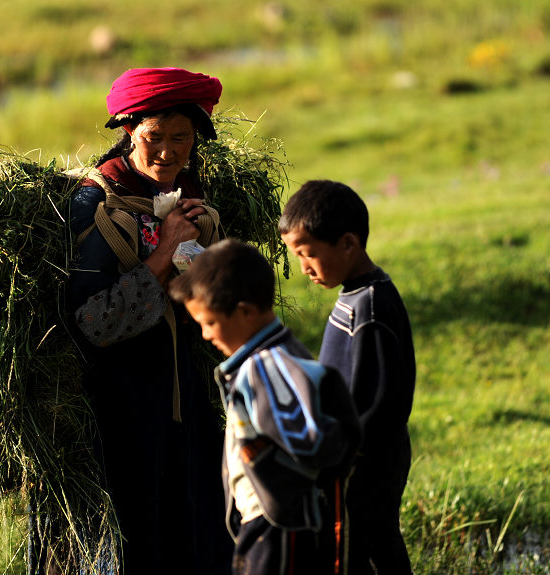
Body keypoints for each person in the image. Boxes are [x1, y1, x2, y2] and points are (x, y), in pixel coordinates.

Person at [65, 67, 233, 574]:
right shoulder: (97, 206)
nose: (167, 152)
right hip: (121, 410)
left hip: (186, 398)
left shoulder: (191, 192)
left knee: (198, 534)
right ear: (128, 133)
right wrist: (164, 255)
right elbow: (92, 321)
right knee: (137, 543)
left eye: (180, 137)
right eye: (153, 137)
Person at [168, 239, 362, 575]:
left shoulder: (265, 367)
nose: (204, 335)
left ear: (245, 311)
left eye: (209, 322)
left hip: (280, 526)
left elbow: (311, 440)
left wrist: (274, 476)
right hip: (277, 521)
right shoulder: (277, 356)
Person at [279, 180, 417, 575]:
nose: (304, 267)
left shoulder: (371, 307)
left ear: (348, 244)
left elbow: (380, 403)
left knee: (365, 549)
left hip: (364, 462)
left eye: (309, 254)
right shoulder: (356, 293)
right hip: (354, 455)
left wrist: (336, 457)